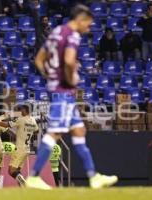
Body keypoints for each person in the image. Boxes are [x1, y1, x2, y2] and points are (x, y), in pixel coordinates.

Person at [26, 5, 118, 190]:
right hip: (63, 92)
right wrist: (69, 81)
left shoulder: (56, 31)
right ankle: (34, 176)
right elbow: (69, 61)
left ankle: (93, 177)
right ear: (81, 19)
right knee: (55, 132)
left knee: (79, 131)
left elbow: (38, 58)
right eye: (89, 24)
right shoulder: (72, 35)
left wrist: (50, 77)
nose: (89, 28)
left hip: (57, 89)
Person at [0, 103, 39, 187]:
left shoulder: (21, 119)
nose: (20, 111)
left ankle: (24, 183)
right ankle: (22, 188)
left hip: (19, 149)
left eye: (21, 109)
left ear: (25, 110)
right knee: (17, 171)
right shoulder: (33, 120)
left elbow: (6, 125)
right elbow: (37, 131)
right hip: (27, 149)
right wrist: (27, 131)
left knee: (11, 171)